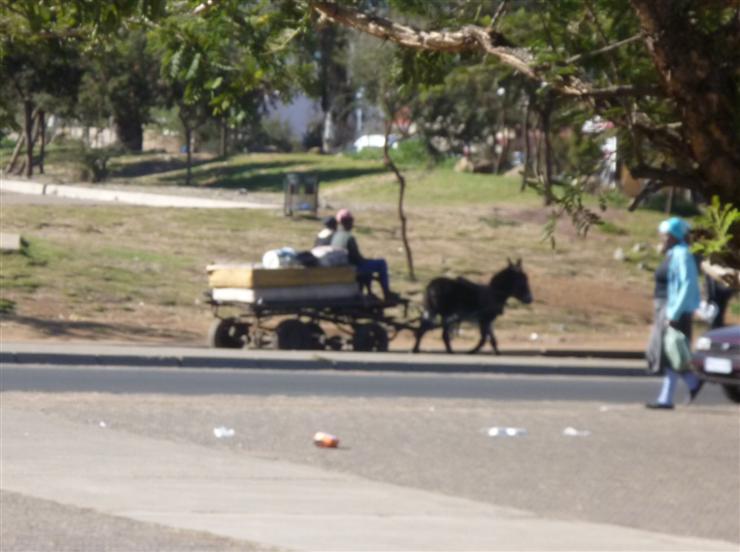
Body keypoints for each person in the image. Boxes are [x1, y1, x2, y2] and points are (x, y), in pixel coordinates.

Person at [646, 217, 703, 409]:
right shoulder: (672, 253)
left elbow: (687, 284)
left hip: (674, 310)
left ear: (674, 235)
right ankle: (690, 384)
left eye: (665, 234)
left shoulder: (683, 254)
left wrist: (674, 313)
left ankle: (670, 396)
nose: (662, 237)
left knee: (672, 351)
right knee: (669, 352)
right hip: (664, 308)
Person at [330, 209, 398, 302]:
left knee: (369, 266)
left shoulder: (335, 236)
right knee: (381, 263)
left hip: (342, 267)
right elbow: (357, 258)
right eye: (350, 221)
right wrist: (366, 261)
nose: (352, 224)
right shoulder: (349, 238)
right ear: (348, 222)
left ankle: (370, 293)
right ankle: (387, 293)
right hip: (352, 268)